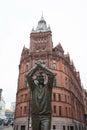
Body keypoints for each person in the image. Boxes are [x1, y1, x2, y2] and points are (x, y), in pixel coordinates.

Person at [26, 61, 54, 130]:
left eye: (42, 77)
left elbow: (51, 75)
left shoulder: (48, 87)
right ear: (37, 79)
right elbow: (28, 76)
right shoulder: (33, 87)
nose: (41, 78)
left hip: (46, 116)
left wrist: (42, 66)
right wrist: (36, 66)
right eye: (39, 77)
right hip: (35, 115)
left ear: (44, 79)